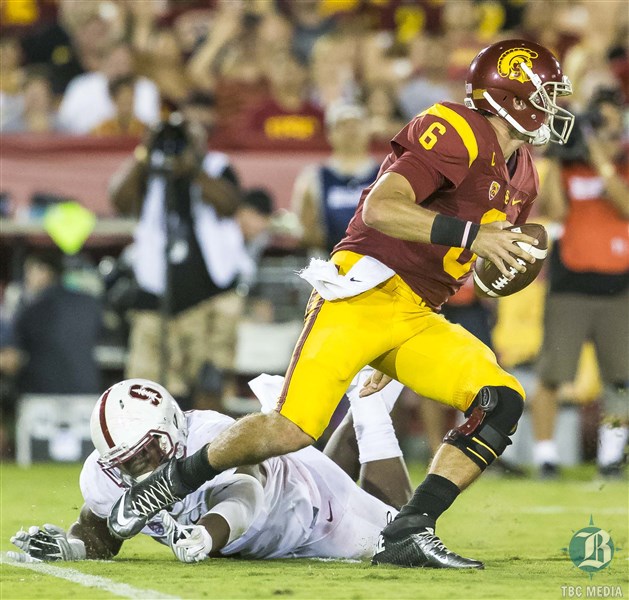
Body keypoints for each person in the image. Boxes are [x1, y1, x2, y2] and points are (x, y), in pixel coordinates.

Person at [108, 39, 575, 569]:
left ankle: (408, 529)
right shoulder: (455, 127)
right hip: (364, 292)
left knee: (500, 399)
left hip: (419, 312)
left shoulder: (525, 172)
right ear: (515, 95)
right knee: (290, 429)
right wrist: (473, 236)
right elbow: (381, 208)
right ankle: (167, 483)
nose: (556, 104)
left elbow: (458, 261)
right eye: (548, 92)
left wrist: (406, 343)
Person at [8, 375, 410, 563]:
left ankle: (372, 400)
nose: (141, 467)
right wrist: (74, 546)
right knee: (337, 464)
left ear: (172, 431)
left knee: (404, 537)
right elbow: (102, 532)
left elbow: (246, 490)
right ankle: (365, 400)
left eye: (149, 451)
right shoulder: (104, 474)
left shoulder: (210, 435)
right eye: (128, 462)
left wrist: (207, 535)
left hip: (311, 510)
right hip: (278, 520)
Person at [109, 113, 249, 412]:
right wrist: (145, 152)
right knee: (143, 388)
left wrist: (193, 169)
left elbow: (229, 204)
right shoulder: (149, 169)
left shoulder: (216, 166)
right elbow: (118, 199)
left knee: (208, 383)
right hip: (154, 296)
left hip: (207, 297)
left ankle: (206, 453)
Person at [530, 87, 629, 478]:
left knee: (620, 381)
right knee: (553, 375)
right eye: (598, 124)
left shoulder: (622, 166)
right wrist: (555, 158)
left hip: (619, 288)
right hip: (569, 286)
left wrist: (603, 163)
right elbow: (554, 209)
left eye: (611, 125)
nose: (605, 132)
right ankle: (545, 456)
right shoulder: (568, 167)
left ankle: (611, 456)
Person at [2, 249, 102, 396]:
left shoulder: (31, 309)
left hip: (41, 396)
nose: (27, 279)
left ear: (44, 271)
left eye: (29, 272)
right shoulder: (90, 303)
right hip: (86, 394)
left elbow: (11, 360)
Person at [291, 101, 380, 255]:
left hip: (380, 263)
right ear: (330, 133)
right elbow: (304, 229)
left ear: (368, 130)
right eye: (343, 125)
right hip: (330, 262)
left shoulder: (386, 174)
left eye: (356, 124)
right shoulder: (313, 177)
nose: (351, 131)